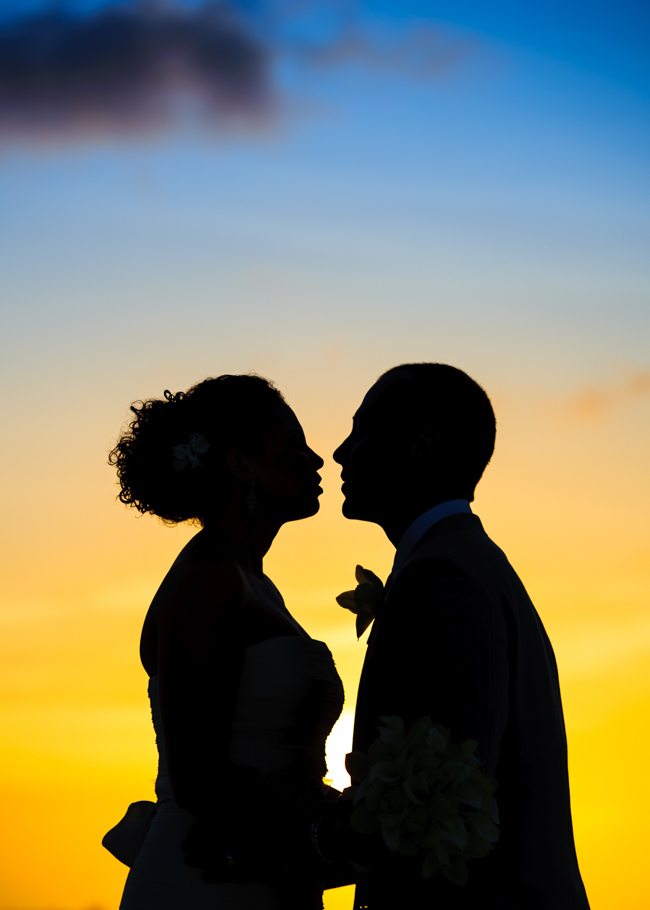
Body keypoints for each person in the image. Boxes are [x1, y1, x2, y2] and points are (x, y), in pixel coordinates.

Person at [332, 363, 590, 909]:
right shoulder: (463, 561)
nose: (339, 452)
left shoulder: (444, 576)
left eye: (361, 431)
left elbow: (443, 809)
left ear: (420, 444)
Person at [103, 374, 344, 910]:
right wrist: (342, 826)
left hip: (261, 868)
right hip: (202, 879)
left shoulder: (250, 580)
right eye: (293, 445)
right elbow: (197, 778)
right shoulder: (207, 578)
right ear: (240, 465)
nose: (316, 460)